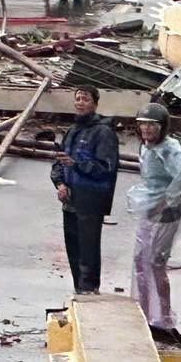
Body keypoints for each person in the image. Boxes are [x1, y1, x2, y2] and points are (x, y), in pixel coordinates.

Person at [129, 102, 181, 343]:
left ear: (162, 127)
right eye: (143, 124)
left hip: (165, 216)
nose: (146, 129)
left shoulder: (168, 149)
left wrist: (167, 199)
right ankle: (143, 311)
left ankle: (163, 318)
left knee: (156, 264)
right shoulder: (146, 147)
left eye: (152, 125)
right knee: (140, 261)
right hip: (148, 212)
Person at [51, 84, 120, 294]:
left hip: (91, 200)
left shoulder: (103, 133)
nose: (80, 103)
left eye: (86, 99)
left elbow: (106, 168)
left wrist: (76, 164)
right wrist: (60, 183)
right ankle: (78, 290)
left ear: (95, 104)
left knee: (88, 249)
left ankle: (89, 290)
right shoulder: (72, 130)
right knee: (73, 249)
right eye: (78, 99)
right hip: (70, 200)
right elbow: (59, 162)